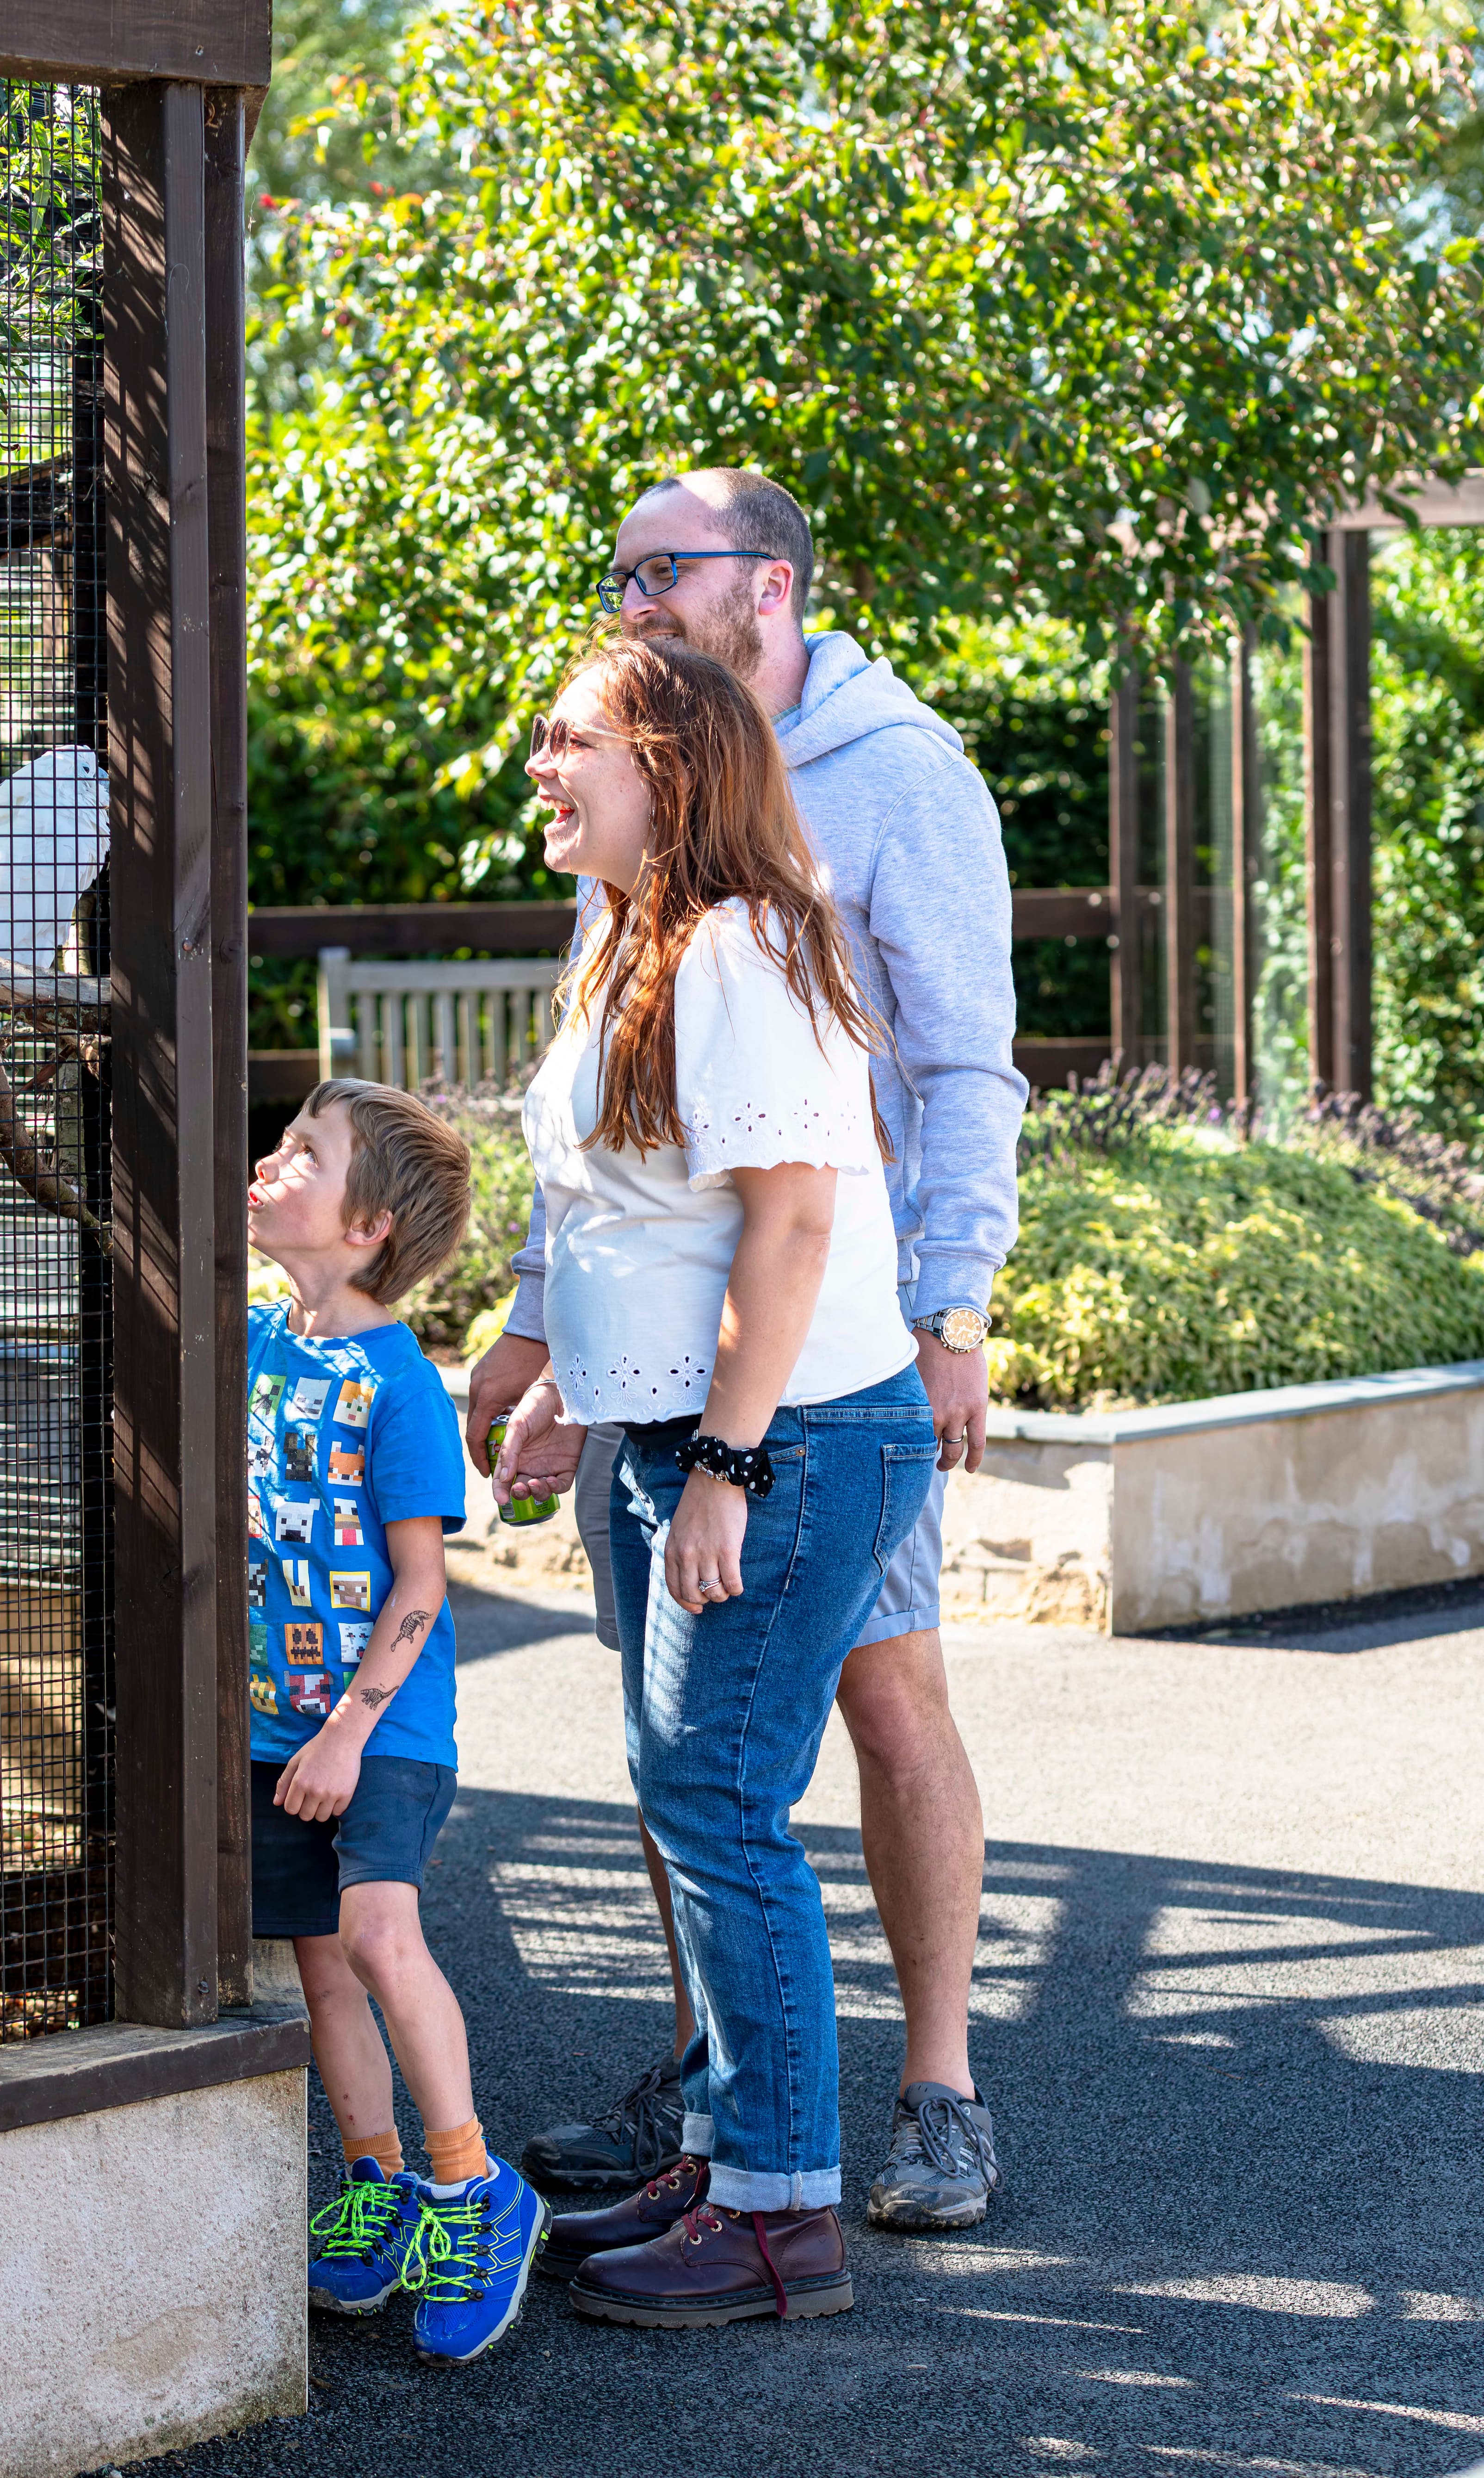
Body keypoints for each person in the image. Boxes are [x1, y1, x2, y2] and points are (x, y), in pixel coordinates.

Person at [469, 466, 1024, 2232]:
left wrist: (952, 1310)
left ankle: (934, 2088)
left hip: (831, 1353)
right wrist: (552, 1323)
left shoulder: (899, 778)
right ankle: (726, 2086)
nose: (630, 590)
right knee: (681, 1750)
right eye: (618, 566)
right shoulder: (638, 814)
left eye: (663, 567)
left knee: (882, 1698)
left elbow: (961, 1072)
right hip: (674, 1365)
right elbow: (618, 1120)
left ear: (768, 584)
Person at [495, 633, 938, 2329]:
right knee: (689, 1801)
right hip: (680, 1435)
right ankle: (721, 2147)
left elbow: (799, 1219)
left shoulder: (746, 946)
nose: (540, 768)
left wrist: (727, 1464)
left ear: (668, 767)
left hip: (792, 1443)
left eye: (566, 742)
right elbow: (631, 1210)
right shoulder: (630, 934)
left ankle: (775, 2215)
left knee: (723, 1817)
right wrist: (577, 1398)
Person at [245, 1079, 550, 2368]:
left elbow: (423, 1586)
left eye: (303, 1153)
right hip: (273, 1730)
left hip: (382, 1730)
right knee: (316, 1960)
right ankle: (372, 2182)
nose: (272, 1159)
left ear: (366, 1226)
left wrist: (347, 1730)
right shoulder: (255, 1344)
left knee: (376, 1932)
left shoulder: (401, 1385)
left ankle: (473, 2186)